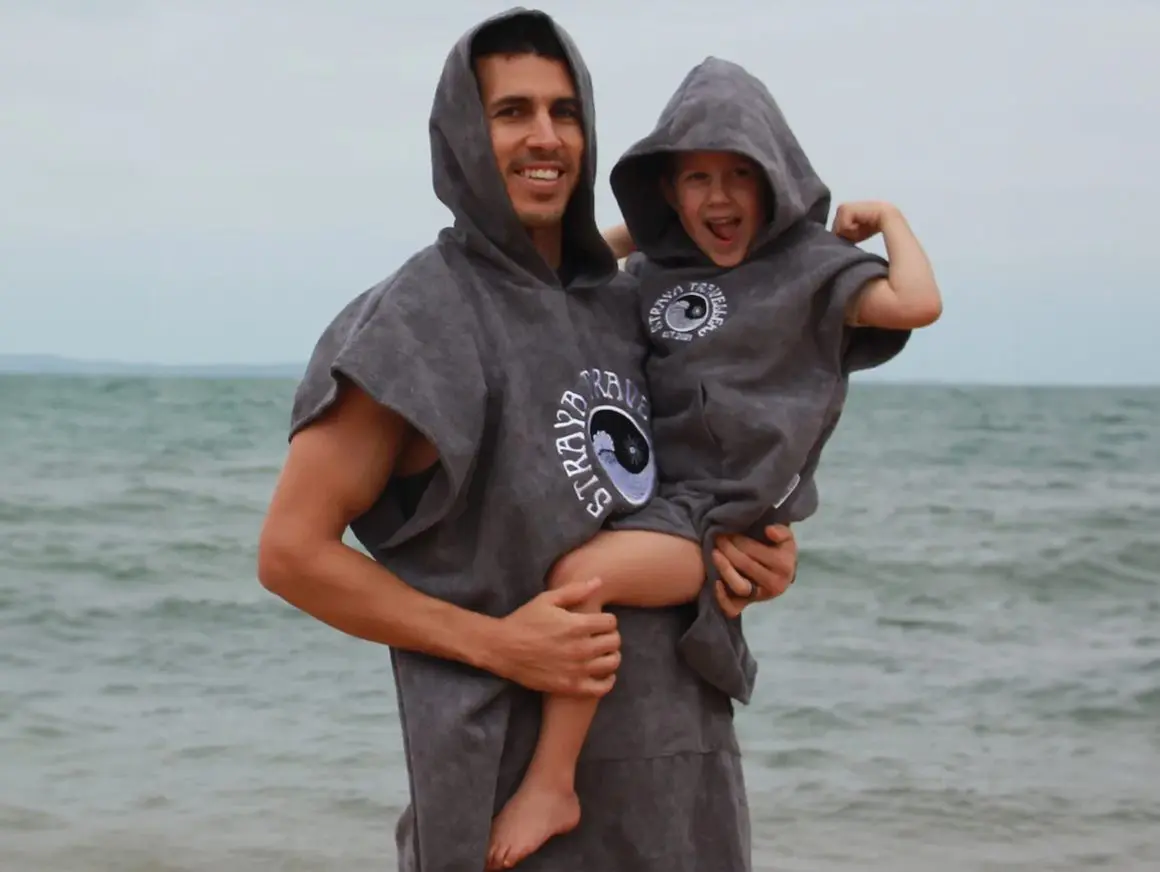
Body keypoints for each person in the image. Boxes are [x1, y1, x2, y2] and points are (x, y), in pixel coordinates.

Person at [256, 11, 798, 872]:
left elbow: (685, 491)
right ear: (465, 134)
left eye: (565, 111)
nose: (544, 137)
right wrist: (497, 643)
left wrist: (749, 557)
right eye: (512, 112)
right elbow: (290, 553)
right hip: (508, 803)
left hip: (681, 782)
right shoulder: (419, 321)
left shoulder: (620, 309)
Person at [485, 56, 943, 868]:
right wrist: (645, 233)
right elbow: (571, 261)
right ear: (667, 191)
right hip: (654, 505)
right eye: (696, 179)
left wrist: (891, 221)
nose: (720, 199)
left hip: (718, 517)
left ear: (777, 179)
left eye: (741, 174)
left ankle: (552, 783)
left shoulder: (808, 271)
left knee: (581, 578)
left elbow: (915, 304)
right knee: (572, 565)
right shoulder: (656, 274)